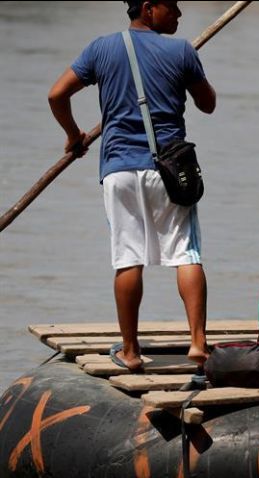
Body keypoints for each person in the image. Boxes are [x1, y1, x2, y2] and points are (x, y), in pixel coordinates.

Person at [48, 1, 216, 372]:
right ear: (147, 8)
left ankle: (131, 351)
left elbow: (56, 95)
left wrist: (73, 134)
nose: (179, 14)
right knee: (185, 253)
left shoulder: (101, 48)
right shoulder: (182, 50)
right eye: (172, 6)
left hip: (119, 170)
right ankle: (198, 344)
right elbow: (208, 104)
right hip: (170, 169)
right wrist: (188, 72)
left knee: (128, 259)